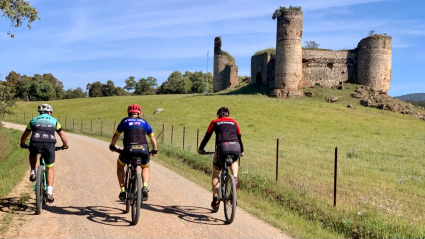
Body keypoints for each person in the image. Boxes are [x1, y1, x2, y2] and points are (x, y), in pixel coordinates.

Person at [20, 103, 69, 203]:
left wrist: (22, 143)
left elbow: (25, 134)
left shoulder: (33, 120)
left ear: (40, 112)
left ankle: (33, 171)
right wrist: (65, 145)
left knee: (33, 152)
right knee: (50, 167)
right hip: (49, 145)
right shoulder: (54, 121)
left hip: (35, 143)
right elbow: (62, 136)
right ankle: (50, 192)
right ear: (49, 112)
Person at [198, 107, 244, 210]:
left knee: (216, 174)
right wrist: (242, 151)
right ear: (228, 115)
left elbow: (207, 136)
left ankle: (215, 201)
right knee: (234, 160)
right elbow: (239, 138)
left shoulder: (215, 122)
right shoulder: (235, 122)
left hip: (222, 148)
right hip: (235, 147)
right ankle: (235, 178)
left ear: (218, 115)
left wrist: (201, 149)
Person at [109, 104, 158, 201]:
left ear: (129, 112)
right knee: (145, 166)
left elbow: (116, 135)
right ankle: (144, 186)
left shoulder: (125, 121)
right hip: (143, 149)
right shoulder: (144, 122)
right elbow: (152, 137)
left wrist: (112, 146)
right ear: (139, 113)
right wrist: (155, 149)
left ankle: (123, 190)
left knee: (120, 165)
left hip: (128, 150)